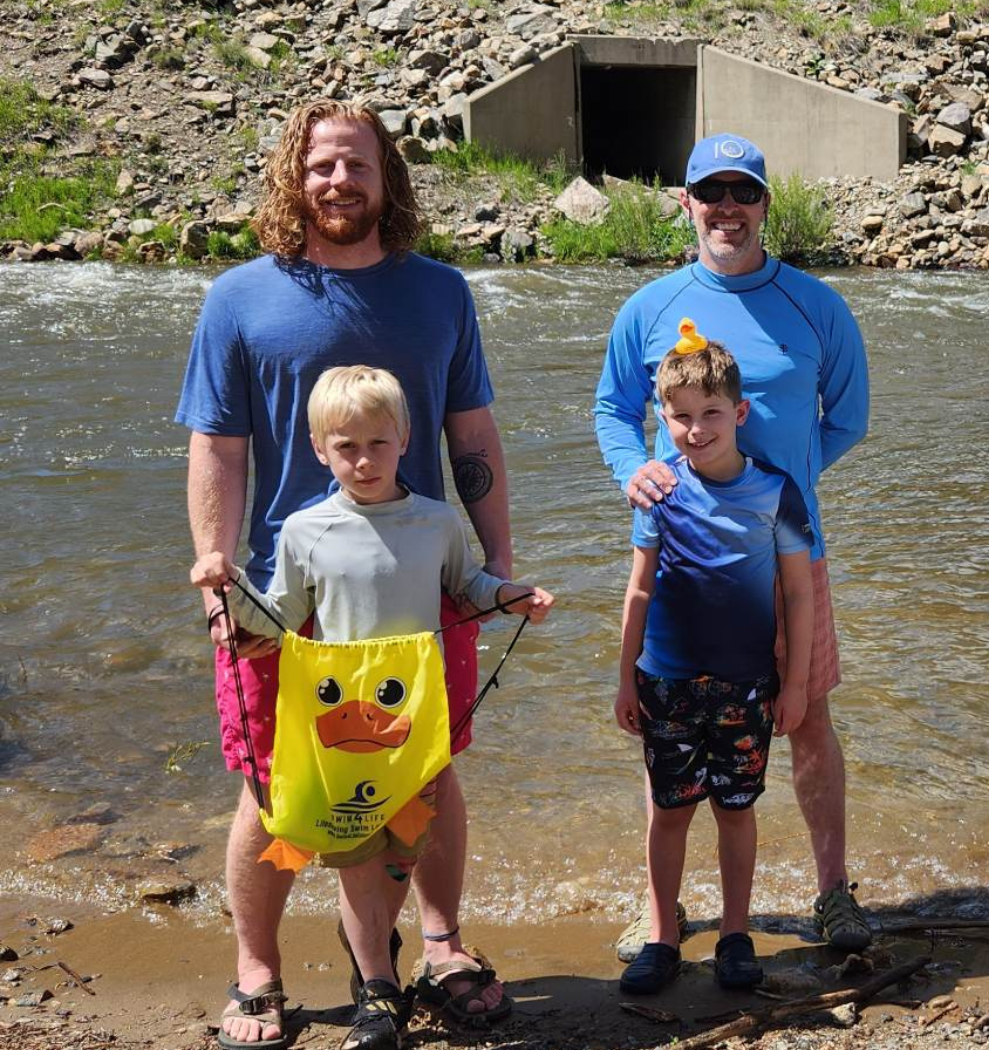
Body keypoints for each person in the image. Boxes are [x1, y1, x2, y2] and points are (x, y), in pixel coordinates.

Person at [177, 101, 514, 1049]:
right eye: (322, 165)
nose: (339, 181)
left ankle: (440, 945)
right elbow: (218, 447)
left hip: (422, 586)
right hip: (282, 602)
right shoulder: (238, 298)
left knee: (430, 774)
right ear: (298, 176)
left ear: (386, 178)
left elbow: (472, 436)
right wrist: (218, 578)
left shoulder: (441, 293)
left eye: (356, 165)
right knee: (278, 788)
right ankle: (258, 968)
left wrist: (497, 565)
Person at [191, 366, 552, 1050]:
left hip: (412, 722)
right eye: (345, 445)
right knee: (355, 858)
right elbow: (279, 618)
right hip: (344, 729)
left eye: (378, 444)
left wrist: (514, 597)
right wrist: (227, 583)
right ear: (318, 447)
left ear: (405, 438)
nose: (363, 459)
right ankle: (379, 992)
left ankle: (389, 959)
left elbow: (467, 588)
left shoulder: (438, 523)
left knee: (402, 849)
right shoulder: (305, 530)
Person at [594, 132, 872, 955]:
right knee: (666, 721)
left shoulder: (816, 303)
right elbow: (614, 410)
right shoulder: (646, 307)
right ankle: (662, 911)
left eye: (742, 192)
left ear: (763, 206)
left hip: (788, 554)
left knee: (807, 714)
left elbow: (847, 417)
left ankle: (832, 894)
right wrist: (633, 471)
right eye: (709, 192)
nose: (726, 208)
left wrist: (778, 487)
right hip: (680, 557)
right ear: (686, 203)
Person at [611, 324, 814, 994]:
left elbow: (796, 591)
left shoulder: (777, 492)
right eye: (680, 418)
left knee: (735, 808)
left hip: (747, 686)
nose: (696, 430)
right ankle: (661, 935)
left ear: (740, 414)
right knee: (669, 810)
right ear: (661, 418)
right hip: (665, 682)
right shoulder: (657, 490)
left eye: (711, 416)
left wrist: (797, 684)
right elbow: (639, 589)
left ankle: (734, 933)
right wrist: (624, 678)